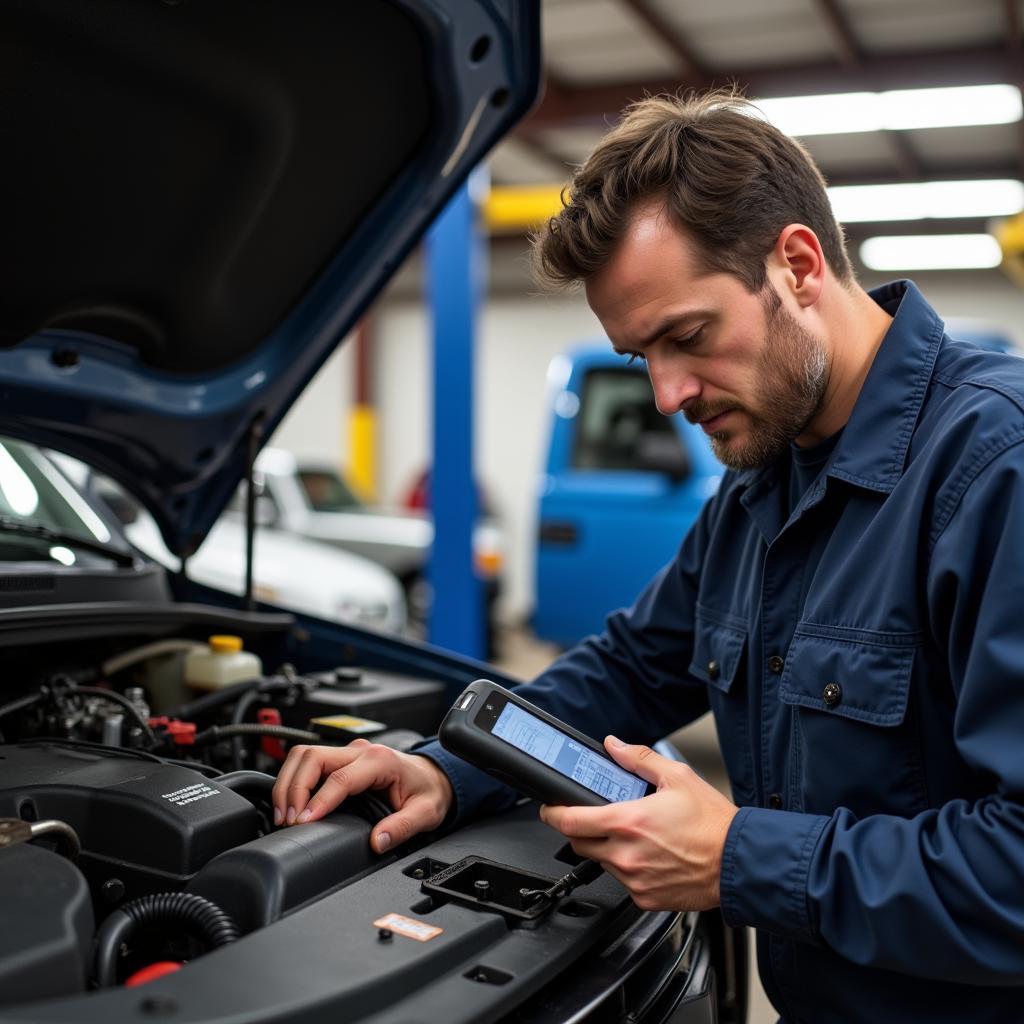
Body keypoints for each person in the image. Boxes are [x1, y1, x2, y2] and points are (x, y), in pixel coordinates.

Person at [272, 89, 1024, 1022]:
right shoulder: (764, 483)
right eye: (641, 358)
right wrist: (448, 767)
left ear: (795, 265)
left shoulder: (998, 470)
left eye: (688, 337)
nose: (668, 396)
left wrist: (736, 857)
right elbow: (630, 668)